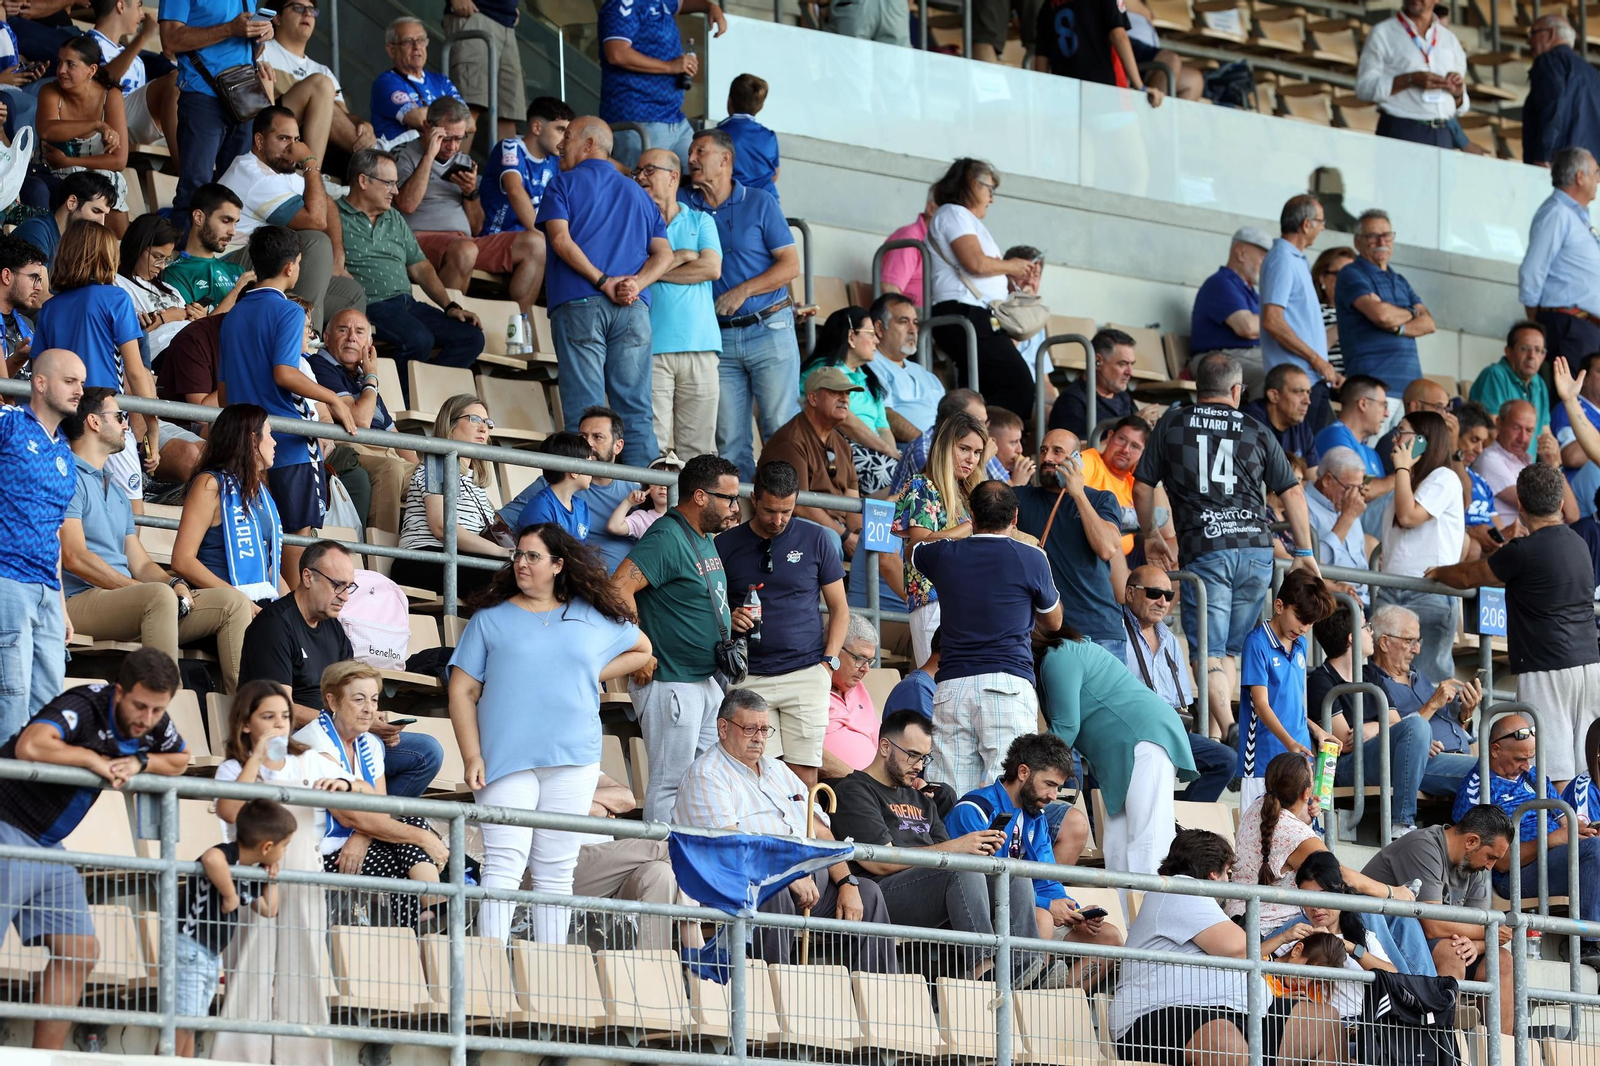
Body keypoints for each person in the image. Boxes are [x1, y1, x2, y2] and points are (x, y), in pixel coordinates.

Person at [449, 522, 651, 942]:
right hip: (504, 759)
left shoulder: (590, 615)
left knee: (556, 872)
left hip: (573, 759)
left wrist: (591, 670)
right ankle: (489, 976)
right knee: (503, 867)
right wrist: (472, 756)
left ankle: (547, 979)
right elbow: (462, 689)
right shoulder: (490, 618)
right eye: (519, 555)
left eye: (533, 556)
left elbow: (642, 649)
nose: (521, 563)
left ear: (559, 565)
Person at [0, 648, 189, 1050]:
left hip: (49, 844)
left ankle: (41, 1061)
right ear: (119, 692)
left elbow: (180, 759)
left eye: (158, 710)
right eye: (140, 706)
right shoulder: (85, 703)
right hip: (6, 826)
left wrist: (141, 762)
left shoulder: (151, 720)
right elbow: (30, 747)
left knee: (80, 951)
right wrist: (90, 758)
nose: (148, 719)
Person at [1136, 353, 1321, 746]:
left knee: (1208, 652)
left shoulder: (1173, 422)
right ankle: (1222, 735)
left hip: (1206, 548)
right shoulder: (1256, 428)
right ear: (1237, 390)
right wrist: (1304, 550)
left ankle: (1229, 726)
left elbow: (1142, 486)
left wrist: (1151, 533)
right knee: (1231, 653)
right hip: (1256, 550)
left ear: (1198, 387)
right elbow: (1292, 491)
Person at [672, 688, 896, 968]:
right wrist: (786, 874)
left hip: (808, 880)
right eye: (750, 728)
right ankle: (774, 996)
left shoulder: (778, 770)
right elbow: (730, 847)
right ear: (723, 728)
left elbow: (821, 831)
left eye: (765, 729)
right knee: (772, 892)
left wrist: (846, 881)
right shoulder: (707, 775)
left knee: (868, 894)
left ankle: (877, 999)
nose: (758, 737)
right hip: (739, 883)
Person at [829, 709, 1041, 982]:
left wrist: (977, 849)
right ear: (884, 747)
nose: (919, 765)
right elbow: (879, 863)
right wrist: (957, 848)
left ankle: (1025, 967)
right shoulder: (855, 790)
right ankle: (984, 971)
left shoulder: (923, 800)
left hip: (933, 891)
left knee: (1013, 874)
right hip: (881, 897)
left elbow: (949, 853)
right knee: (959, 869)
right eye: (913, 755)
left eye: (924, 757)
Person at [61, 388, 252, 691]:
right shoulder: (66, 476)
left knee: (233, 603)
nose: (127, 424)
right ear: (94, 422)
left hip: (129, 600)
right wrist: (146, 590)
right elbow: (75, 557)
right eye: (120, 417)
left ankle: (249, 715)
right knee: (158, 598)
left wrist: (172, 583)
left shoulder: (115, 487)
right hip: (79, 601)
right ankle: (165, 716)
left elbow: (139, 561)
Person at [1108, 829, 1347, 1066]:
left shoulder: (1191, 896)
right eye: (1227, 874)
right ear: (1213, 874)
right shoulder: (1179, 889)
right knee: (1223, 1038)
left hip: (1232, 1013)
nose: (1228, 883)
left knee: (1324, 1020)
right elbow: (1241, 949)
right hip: (1156, 1015)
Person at [1430, 462, 1600, 792]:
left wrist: (1438, 571)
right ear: (1561, 503)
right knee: (1588, 766)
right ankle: (1585, 836)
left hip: (1546, 667)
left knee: (1555, 767)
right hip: (1590, 665)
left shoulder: (1523, 551)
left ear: (1520, 506)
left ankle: (1565, 839)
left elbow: (1467, 576)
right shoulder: (1579, 543)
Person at [211, 678, 354, 1066]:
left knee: (305, 965)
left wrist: (342, 782)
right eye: (268, 716)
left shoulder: (307, 759)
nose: (279, 724)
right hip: (252, 874)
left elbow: (363, 792)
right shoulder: (232, 768)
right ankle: (239, 1058)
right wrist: (256, 758)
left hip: (304, 869)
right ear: (246, 723)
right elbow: (229, 810)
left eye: (285, 716)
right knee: (248, 966)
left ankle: (305, 1057)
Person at [217, 225, 356, 580]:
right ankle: (293, 626)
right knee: (299, 540)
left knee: (260, 541)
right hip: (289, 445)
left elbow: (223, 390)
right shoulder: (290, 311)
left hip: (244, 442)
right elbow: (284, 372)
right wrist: (333, 400)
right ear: (292, 267)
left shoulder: (233, 315)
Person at [611, 453, 742, 820]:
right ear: (700, 497)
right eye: (728, 498)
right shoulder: (667, 535)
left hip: (702, 681)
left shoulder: (702, 536)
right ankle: (661, 866)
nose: (735, 507)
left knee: (705, 781)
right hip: (671, 681)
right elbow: (618, 588)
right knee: (670, 784)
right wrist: (640, 648)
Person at [540, 115, 673, 469]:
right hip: (633, 311)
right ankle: (647, 511)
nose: (559, 144)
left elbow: (560, 239)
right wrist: (635, 284)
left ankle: (585, 506)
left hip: (579, 304)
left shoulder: (562, 184)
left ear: (588, 144)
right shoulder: (640, 195)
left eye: (567, 136)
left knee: (585, 413)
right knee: (637, 412)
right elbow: (665, 255)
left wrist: (602, 281)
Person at [912, 481, 1061, 796]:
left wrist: (963, 529)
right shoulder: (1031, 557)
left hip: (953, 688)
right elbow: (1054, 621)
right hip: (1006, 686)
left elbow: (917, 547)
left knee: (949, 794)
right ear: (1016, 517)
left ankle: (954, 847)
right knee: (1008, 793)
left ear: (972, 515)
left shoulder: (945, 553)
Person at [945, 732, 1126, 976]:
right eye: (1049, 784)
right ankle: (1027, 997)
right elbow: (977, 884)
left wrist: (1074, 911)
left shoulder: (1036, 816)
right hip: (986, 915)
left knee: (1110, 939)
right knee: (1043, 918)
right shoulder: (975, 809)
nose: (1053, 796)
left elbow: (1047, 879)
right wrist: (1047, 906)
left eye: (1058, 788)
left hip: (1028, 909)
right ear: (1023, 772)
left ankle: (1051, 997)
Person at [716, 460, 848, 788]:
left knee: (804, 777)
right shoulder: (725, 545)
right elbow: (709, 608)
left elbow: (840, 609)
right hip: (749, 676)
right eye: (770, 511)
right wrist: (729, 617)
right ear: (753, 499)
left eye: (786, 511)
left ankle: (802, 838)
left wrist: (828, 664)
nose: (778, 520)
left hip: (806, 674)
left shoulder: (818, 539)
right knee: (754, 775)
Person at [683, 128, 800, 480]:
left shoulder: (760, 201)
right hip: (719, 337)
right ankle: (740, 520)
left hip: (770, 328)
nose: (691, 159)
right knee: (730, 439)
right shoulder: (687, 205)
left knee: (780, 431)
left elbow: (791, 265)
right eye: (690, 153)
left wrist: (743, 290)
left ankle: (787, 518)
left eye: (699, 151)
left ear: (725, 159)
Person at [294, 660, 448, 925]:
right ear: (333, 702)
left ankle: (430, 915)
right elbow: (350, 816)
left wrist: (361, 839)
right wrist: (427, 839)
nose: (369, 709)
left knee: (408, 830)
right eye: (358, 699)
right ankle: (435, 915)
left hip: (351, 841)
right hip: (316, 853)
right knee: (412, 839)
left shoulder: (371, 743)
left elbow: (379, 808)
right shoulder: (313, 743)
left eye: (374, 700)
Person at [1038, 625, 1197, 877]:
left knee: (1149, 840)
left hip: (1143, 738)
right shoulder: (1059, 655)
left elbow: (1065, 728)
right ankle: (1125, 914)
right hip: (1120, 753)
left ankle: (1148, 914)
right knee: (1117, 844)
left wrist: (1027, 766)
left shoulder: (1060, 654)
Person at [1454, 714, 1600, 968]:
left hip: (1556, 858)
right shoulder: (1479, 790)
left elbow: (1565, 821)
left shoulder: (1533, 777)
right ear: (1495, 750)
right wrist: (1551, 839)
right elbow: (1496, 862)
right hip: (1517, 876)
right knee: (1593, 851)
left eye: (1530, 757)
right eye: (1520, 758)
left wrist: (1584, 831)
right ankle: (1588, 944)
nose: (1526, 765)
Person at [338, 147, 484, 392]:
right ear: (363, 181)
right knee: (419, 339)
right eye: (389, 184)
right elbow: (334, 268)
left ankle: (429, 394)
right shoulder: (335, 214)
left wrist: (449, 306)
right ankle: (399, 401)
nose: (395, 191)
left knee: (471, 337)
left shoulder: (394, 218)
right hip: (370, 304)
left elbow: (420, 267)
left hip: (406, 303)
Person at [33, 220, 155, 505]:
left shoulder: (50, 309)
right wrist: (153, 426)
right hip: (105, 413)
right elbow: (136, 372)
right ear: (106, 256)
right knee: (130, 511)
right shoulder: (116, 298)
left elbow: (40, 371)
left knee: (69, 508)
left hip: (62, 418)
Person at [1362, 804, 1516, 1027]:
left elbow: (1480, 926)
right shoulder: (1423, 846)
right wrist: (1487, 932)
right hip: (1386, 943)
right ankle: (1441, 1041)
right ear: (1471, 841)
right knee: (1453, 952)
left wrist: (1477, 945)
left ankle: (1504, 1054)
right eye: (1490, 857)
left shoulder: (1474, 867)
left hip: (1429, 946)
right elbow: (1432, 925)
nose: (1491, 867)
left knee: (1501, 959)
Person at [1227, 752, 1415, 930]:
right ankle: (1388, 966)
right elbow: (1342, 877)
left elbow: (1282, 837)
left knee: (1391, 916)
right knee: (1376, 912)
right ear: (1306, 792)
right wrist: (1393, 892)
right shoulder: (1296, 834)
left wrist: (1304, 818)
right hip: (1274, 929)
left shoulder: (1256, 808)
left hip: (1240, 921)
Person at [396, 97, 544, 320]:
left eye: (459, 138)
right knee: (465, 250)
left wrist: (471, 193)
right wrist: (429, 155)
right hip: (418, 239)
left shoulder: (463, 160)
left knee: (536, 244)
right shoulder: (404, 153)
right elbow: (407, 205)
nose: (454, 147)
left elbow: (476, 227)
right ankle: (442, 327)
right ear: (428, 127)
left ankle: (518, 328)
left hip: (464, 242)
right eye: (446, 138)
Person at [0, 348, 83, 740]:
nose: (80, 390)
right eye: (70, 381)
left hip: (48, 592)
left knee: (49, 709)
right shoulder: (9, 423)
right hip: (8, 581)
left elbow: (51, 531)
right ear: (40, 382)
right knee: (9, 701)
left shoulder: (64, 450)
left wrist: (61, 604)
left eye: (82, 381)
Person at [172, 797, 295, 1058]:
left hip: (209, 956)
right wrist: (229, 895)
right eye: (284, 847)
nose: (284, 852)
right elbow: (211, 858)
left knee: (192, 1024)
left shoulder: (251, 871)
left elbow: (269, 909)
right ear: (267, 846)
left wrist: (270, 878)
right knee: (180, 1026)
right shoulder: (229, 854)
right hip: (189, 948)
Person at [924, 157, 1038, 422]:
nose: (991, 198)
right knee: (1017, 382)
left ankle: (975, 445)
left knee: (981, 389)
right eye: (989, 189)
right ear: (971, 184)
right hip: (964, 312)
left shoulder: (964, 219)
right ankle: (989, 446)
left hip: (976, 314)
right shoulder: (953, 213)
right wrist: (1012, 266)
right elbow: (974, 262)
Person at [1351, 603, 1483, 831]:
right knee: (1491, 772)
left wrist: (1466, 715)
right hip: (1418, 764)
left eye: (1418, 641)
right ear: (1384, 642)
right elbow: (1401, 732)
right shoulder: (1371, 682)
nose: (1417, 650)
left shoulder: (1418, 676)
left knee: (1516, 770)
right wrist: (1432, 703)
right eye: (1409, 641)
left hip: (1458, 757)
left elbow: (1452, 726)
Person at [1120, 566, 1235, 802]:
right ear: (1130, 593)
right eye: (1154, 593)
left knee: (1226, 759)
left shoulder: (1170, 639)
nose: (1163, 602)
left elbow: (1180, 703)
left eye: (1169, 595)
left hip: (1168, 733)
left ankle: (1182, 821)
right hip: (1128, 733)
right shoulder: (1116, 632)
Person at [635, 146, 721, 459]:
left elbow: (712, 267)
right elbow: (631, 272)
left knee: (698, 453)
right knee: (654, 450)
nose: (640, 177)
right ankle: (653, 511)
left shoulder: (700, 220)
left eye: (649, 170)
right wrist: (683, 256)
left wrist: (655, 270)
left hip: (701, 344)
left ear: (673, 177)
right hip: (651, 345)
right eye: (638, 171)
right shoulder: (636, 221)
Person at [158, 0, 275, 217]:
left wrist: (261, 34)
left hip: (243, 99)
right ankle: (186, 250)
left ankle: (224, 251)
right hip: (202, 96)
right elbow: (169, 41)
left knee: (237, 193)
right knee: (195, 192)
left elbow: (248, 52)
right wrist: (230, 28)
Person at [1014, 429, 1126, 655]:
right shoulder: (1020, 498)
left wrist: (1078, 494)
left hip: (1097, 631)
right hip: (1045, 634)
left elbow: (1106, 548)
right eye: (1044, 450)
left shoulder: (1100, 499)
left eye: (1057, 452)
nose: (1047, 458)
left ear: (1077, 459)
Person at [308, 308, 418, 535]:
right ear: (327, 338)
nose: (351, 338)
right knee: (392, 469)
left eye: (359, 332)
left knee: (441, 480)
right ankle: (380, 557)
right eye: (343, 330)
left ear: (369, 343)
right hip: (353, 448)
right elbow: (360, 420)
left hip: (385, 451)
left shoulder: (362, 376)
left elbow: (392, 432)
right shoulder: (321, 366)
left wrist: (421, 469)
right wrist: (372, 377)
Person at [892, 409, 986, 665]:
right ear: (945, 447)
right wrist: (967, 528)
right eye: (964, 448)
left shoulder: (969, 493)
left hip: (968, 597)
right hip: (932, 599)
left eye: (977, 453)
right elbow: (919, 545)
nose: (971, 459)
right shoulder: (920, 486)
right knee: (937, 687)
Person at [1378, 411, 1466, 683]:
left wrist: (1402, 467)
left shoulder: (1444, 477)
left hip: (1427, 592)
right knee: (1385, 679)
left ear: (1421, 441)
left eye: (1401, 432)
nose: (1395, 438)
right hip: (1390, 589)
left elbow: (1408, 517)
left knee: (1426, 682)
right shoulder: (1407, 482)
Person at [1236, 570, 1336, 808]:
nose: (1304, 628)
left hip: (1298, 760)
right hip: (1263, 761)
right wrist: (1290, 743)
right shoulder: (1257, 643)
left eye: (1310, 623)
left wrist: (1316, 731)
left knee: (1298, 836)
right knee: (1260, 837)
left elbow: (1293, 702)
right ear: (1279, 606)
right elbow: (1261, 705)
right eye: (1300, 618)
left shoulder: (1301, 644)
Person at [169, 404, 286, 603]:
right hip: (224, 603)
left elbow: (269, 568)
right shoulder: (210, 485)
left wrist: (292, 612)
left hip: (259, 602)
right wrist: (241, 602)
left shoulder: (260, 491)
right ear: (252, 439)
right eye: (269, 434)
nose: (275, 443)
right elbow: (182, 560)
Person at [502, 406, 639, 574]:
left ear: (618, 446)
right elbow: (502, 522)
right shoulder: (550, 485)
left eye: (598, 437)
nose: (588, 443)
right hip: (574, 581)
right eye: (582, 437)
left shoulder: (635, 491)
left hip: (627, 583)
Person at [393, 393, 504, 599]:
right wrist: (502, 554)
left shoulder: (476, 482)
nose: (483, 428)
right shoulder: (436, 465)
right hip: (423, 560)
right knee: (510, 576)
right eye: (474, 420)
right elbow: (442, 527)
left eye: (487, 423)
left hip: (458, 560)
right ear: (450, 425)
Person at [597, 0, 728, 171]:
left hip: (675, 119)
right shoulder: (623, 3)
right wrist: (670, 66)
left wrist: (710, 7)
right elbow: (616, 53)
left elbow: (681, 3)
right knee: (641, 189)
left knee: (703, 179)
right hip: (640, 118)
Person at [760, 367, 864, 556]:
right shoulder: (791, 440)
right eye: (835, 392)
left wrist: (859, 535)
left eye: (847, 393)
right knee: (828, 540)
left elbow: (852, 501)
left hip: (837, 528)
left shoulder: (842, 444)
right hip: (790, 525)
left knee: (880, 543)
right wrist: (845, 535)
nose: (844, 399)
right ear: (813, 399)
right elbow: (799, 505)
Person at [800, 307, 902, 493]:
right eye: (871, 333)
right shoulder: (823, 372)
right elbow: (844, 421)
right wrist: (887, 452)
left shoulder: (869, 380)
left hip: (874, 449)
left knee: (915, 472)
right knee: (895, 474)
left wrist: (892, 453)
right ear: (851, 337)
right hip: (836, 447)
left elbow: (883, 427)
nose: (876, 341)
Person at [1260, 195, 1341, 428]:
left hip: (1311, 380)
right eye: (1321, 221)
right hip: (1296, 385)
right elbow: (1272, 321)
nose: (1323, 227)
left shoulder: (1295, 259)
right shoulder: (1283, 259)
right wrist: (1316, 360)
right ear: (1306, 224)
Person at [38, 35, 131, 234]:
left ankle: (117, 253)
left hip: (81, 170)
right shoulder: (50, 90)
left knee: (111, 181)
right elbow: (47, 129)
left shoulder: (110, 95)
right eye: (59, 62)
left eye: (70, 64)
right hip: (53, 171)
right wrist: (97, 124)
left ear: (92, 70)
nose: (61, 70)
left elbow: (119, 161)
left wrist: (69, 161)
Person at [1335, 209, 1434, 393]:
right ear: (1357, 242)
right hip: (1371, 389)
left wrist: (1399, 327)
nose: (1382, 242)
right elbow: (1381, 315)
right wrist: (1411, 312)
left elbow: (1429, 323)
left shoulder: (1400, 280)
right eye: (1373, 236)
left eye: (1387, 235)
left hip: (1409, 391)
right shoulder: (1351, 274)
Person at [261, 0, 375, 158]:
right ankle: (315, 172)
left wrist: (362, 125)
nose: (307, 13)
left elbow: (342, 116)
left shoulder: (323, 70)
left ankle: (372, 161)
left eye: (312, 10)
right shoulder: (261, 49)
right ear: (277, 18)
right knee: (321, 85)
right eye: (298, 7)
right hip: (275, 127)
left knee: (324, 88)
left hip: (315, 139)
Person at [1520, 148, 1600, 370]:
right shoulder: (1556, 213)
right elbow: (1532, 270)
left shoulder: (1576, 215)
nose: (1599, 179)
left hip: (1584, 329)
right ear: (1580, 177)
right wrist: (1536, 322)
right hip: (1568, 327)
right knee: (1569, 401)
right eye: (1596, 172)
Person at [1354, 0, 1469, 147]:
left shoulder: (1450, 40)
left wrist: (1457, 93)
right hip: (1401, 128)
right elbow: (1364, 89)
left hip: (1443, 133)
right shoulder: (1383, 33)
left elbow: (1461, 105)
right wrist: (1410, 80)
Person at [88, 0, 179, 163]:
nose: (142, 14)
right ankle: (187, 175)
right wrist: (144, 35)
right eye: (138, 5)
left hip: (136, 124)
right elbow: (102, 82)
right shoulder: (86, 44)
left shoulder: (134, 58)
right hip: (104, 119)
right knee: (173, 82)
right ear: (121, 6)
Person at [1031, 0, 1164, 108]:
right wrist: (1140, 86)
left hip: (1066, 98)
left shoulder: (1047, 6)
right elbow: (1119, 36)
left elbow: (1041, 62)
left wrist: (1044, 100)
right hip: (1106, 91)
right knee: (1127, 141)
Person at [1188, 226, 1270, 396]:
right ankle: (1258, 423)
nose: (1266, 266)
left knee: (1296, 373)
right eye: (1263, 257)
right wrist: (1275, 318)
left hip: (1244, 357)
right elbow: (1247, 327)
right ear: (1240, 253)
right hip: (1216, 361)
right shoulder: (1220, 283)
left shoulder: (1250, 291)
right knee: (1272, 377)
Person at [114, 212, 198, 376]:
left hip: (192, 345)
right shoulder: (114, 284)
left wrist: (198, 319)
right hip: (163, 352)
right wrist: (164, 318)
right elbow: (124, 336)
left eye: (166, 259)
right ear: (136, 247)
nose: (162, 267)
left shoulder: (170, 289)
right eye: (157, 257)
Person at [482, 96, 574, 236]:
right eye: (560, 130)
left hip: (530, 242)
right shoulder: (510, 147)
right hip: (497, 237)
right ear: (537, 127)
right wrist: (543, 237)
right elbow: (515, 190)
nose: (564, 139)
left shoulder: (554, 159)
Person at [892, 388, 1010, 495]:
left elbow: (1008, 488)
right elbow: (940, 491)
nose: (984, 428)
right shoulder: (922, 449)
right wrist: (982, 461)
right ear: (954, 422)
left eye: (977, 453)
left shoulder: (976, 444)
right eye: (977, 421)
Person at [369, 16, 463, 147]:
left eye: (421, 40)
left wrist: (428, 114)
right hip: (398, 160)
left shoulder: (441, 80)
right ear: (392, 50)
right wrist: (452, 118)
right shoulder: (386, 82)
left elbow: (468, 122)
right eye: (408, 41)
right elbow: (418, 119)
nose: (417, 46)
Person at [161, 183, 254, 313]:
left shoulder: (238, 270)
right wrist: (237, 290)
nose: (233, 232)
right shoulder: (174, 274)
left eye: (235, 223)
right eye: (226, 221)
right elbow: (190, 330)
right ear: (199, 217)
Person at [1523, 15, 1600, 167]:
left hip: (1560, 166)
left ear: (1551, 33)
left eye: (1533, 33)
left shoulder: (1548, 62)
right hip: (1591, 170)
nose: (1528, 41)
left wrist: (1543, 156)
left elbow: (1552, 107)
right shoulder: (1593, 73)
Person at [1470, 321, 1551, 455]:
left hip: (1525, 468)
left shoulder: (1540, 383)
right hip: (1496, 464)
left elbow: (1545, 436)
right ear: (1509, 351)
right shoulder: (1495, 374)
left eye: (1538, 350)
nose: (1532, 356)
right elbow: (1494, 434)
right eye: (1524, 348)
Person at [864, 292, 940, 435]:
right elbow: (885, 416)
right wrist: (929, 447)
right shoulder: (870, 366)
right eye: (903, 322)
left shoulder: (925, 374)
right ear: (879, 328)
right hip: (907, 449)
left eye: (915, 323)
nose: (913, 330)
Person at [1304, 447, 1374, 601]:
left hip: (1365, 599)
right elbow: (1313, 565)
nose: (1355, 495)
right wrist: (1347, 518)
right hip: (1330, 600)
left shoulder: (1349, 503)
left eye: (1359, 488)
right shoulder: (1303, 505)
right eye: (1350, 488)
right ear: (1327, 480)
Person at [819, 613, 883, 775]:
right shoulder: (812, 687)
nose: (866, 669)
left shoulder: (860, 689)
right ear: (835, 649)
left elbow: (880, 744)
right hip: (840, 787)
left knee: (943, 793)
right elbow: (808, 751)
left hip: (873, 787)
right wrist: (860, 782)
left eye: (870, 661)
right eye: (860, 659)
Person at [12, 170, 114, 269]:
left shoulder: (80, 245)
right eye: (96, 211)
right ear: (72, 203)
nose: (102, 223)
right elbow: (36, 285)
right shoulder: (37, 231)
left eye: (105, 216)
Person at [1048, 327, 1138, 438]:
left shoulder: (1123, 396)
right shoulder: (1071, 401)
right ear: (1097, 361)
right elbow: (1074, 452)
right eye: (1123, 364)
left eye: (1131, 364)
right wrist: (1134, 426)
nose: (1130, 372)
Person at [716, 73, 781, 207]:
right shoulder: (769, 136)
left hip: (734, 207)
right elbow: (774, 175)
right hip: (769, 204)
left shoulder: (717, 135)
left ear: (729, 101)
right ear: (760, 107)